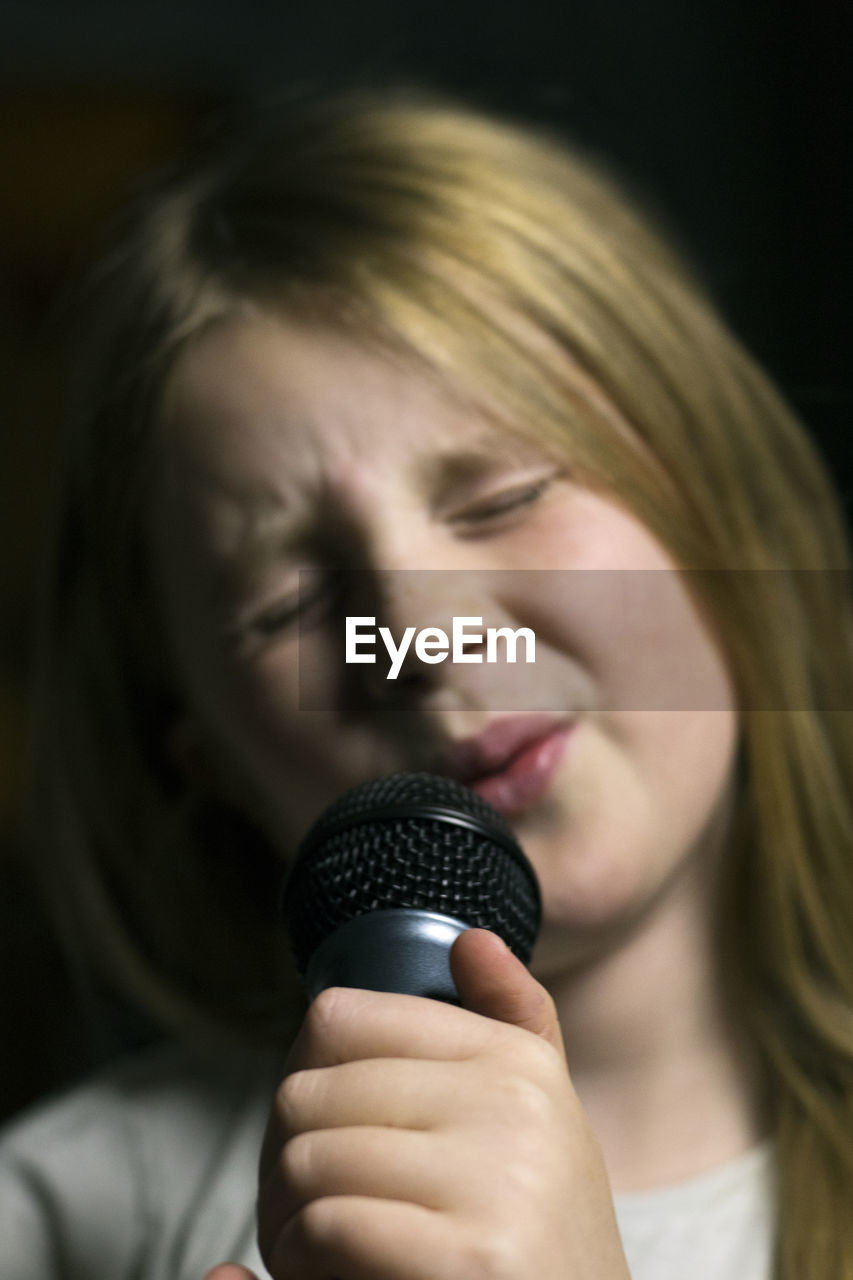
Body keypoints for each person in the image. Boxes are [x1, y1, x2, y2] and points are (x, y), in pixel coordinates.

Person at [1, 87, 852, 1280]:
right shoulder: (56, 1214)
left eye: (505, 496)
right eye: (292, 608)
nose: (429, 641)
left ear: (705, 499)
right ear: (204, 753)